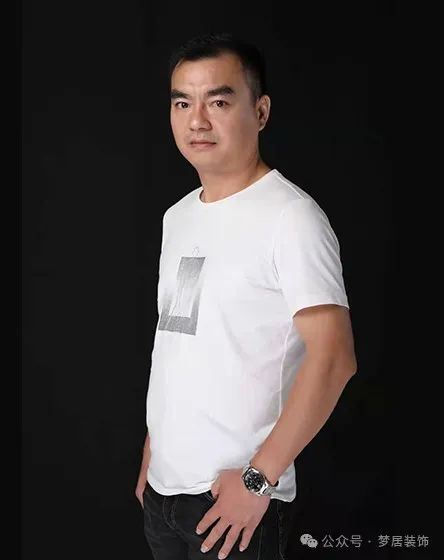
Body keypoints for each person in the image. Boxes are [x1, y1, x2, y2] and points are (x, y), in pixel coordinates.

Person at [135, 32, 357, 560]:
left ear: (260, 112)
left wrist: (259, 479)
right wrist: (153, 452)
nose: (197, 121)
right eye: (182, 103)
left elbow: (334, 359)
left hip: (233, 501)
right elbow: (179, 343)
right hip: (163, 494)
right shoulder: (178, 216)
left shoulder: (291, 217)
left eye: (218, 101)